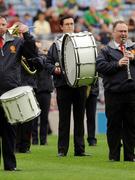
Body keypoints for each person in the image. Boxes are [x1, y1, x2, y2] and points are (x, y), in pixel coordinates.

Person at [0, 16, 43, 171]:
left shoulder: (17, 42)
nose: (2, 27)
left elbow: (32, 55)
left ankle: (10, 166)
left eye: (4, 24)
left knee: (9, 131)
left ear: (7, 26)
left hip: (10, 92)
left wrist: (27, 35)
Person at [45, 15, 87, 157]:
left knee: (80, 118)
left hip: (79, 84)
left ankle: (80, 150)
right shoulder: (55, 45)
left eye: (72, 23)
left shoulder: (82, 41)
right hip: (62, 85)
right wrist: (54, 70)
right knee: (64, 119)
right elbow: (48, 63)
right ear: (61, 27)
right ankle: (62, 150)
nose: (70, 26)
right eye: (67, 24)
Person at [96, 20, 135, 162]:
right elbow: (100, 66)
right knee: (113, 125)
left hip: (131, 93)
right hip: (113, 93)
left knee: (131, 125)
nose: (123, 34)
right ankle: (114, 156)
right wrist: (117, 64)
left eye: (125, 31)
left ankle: (130, 156)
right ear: (113, 33)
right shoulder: (106, 50)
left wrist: (133, 57)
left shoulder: (133, 47)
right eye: (120, 31)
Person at [32, 40, 54, 145]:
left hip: (45, 91)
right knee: (36, 118)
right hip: (36, 90)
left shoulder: (49, 60)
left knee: (43, 118)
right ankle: (37, 140)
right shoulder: (35, 59)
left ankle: (42, 140)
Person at [86, 81, 99, 146]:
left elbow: (101, 73)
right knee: (78, 117)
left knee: (91, 117)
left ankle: (91, 139)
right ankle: (79, 141)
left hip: (93, 91)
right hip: (80, 90)